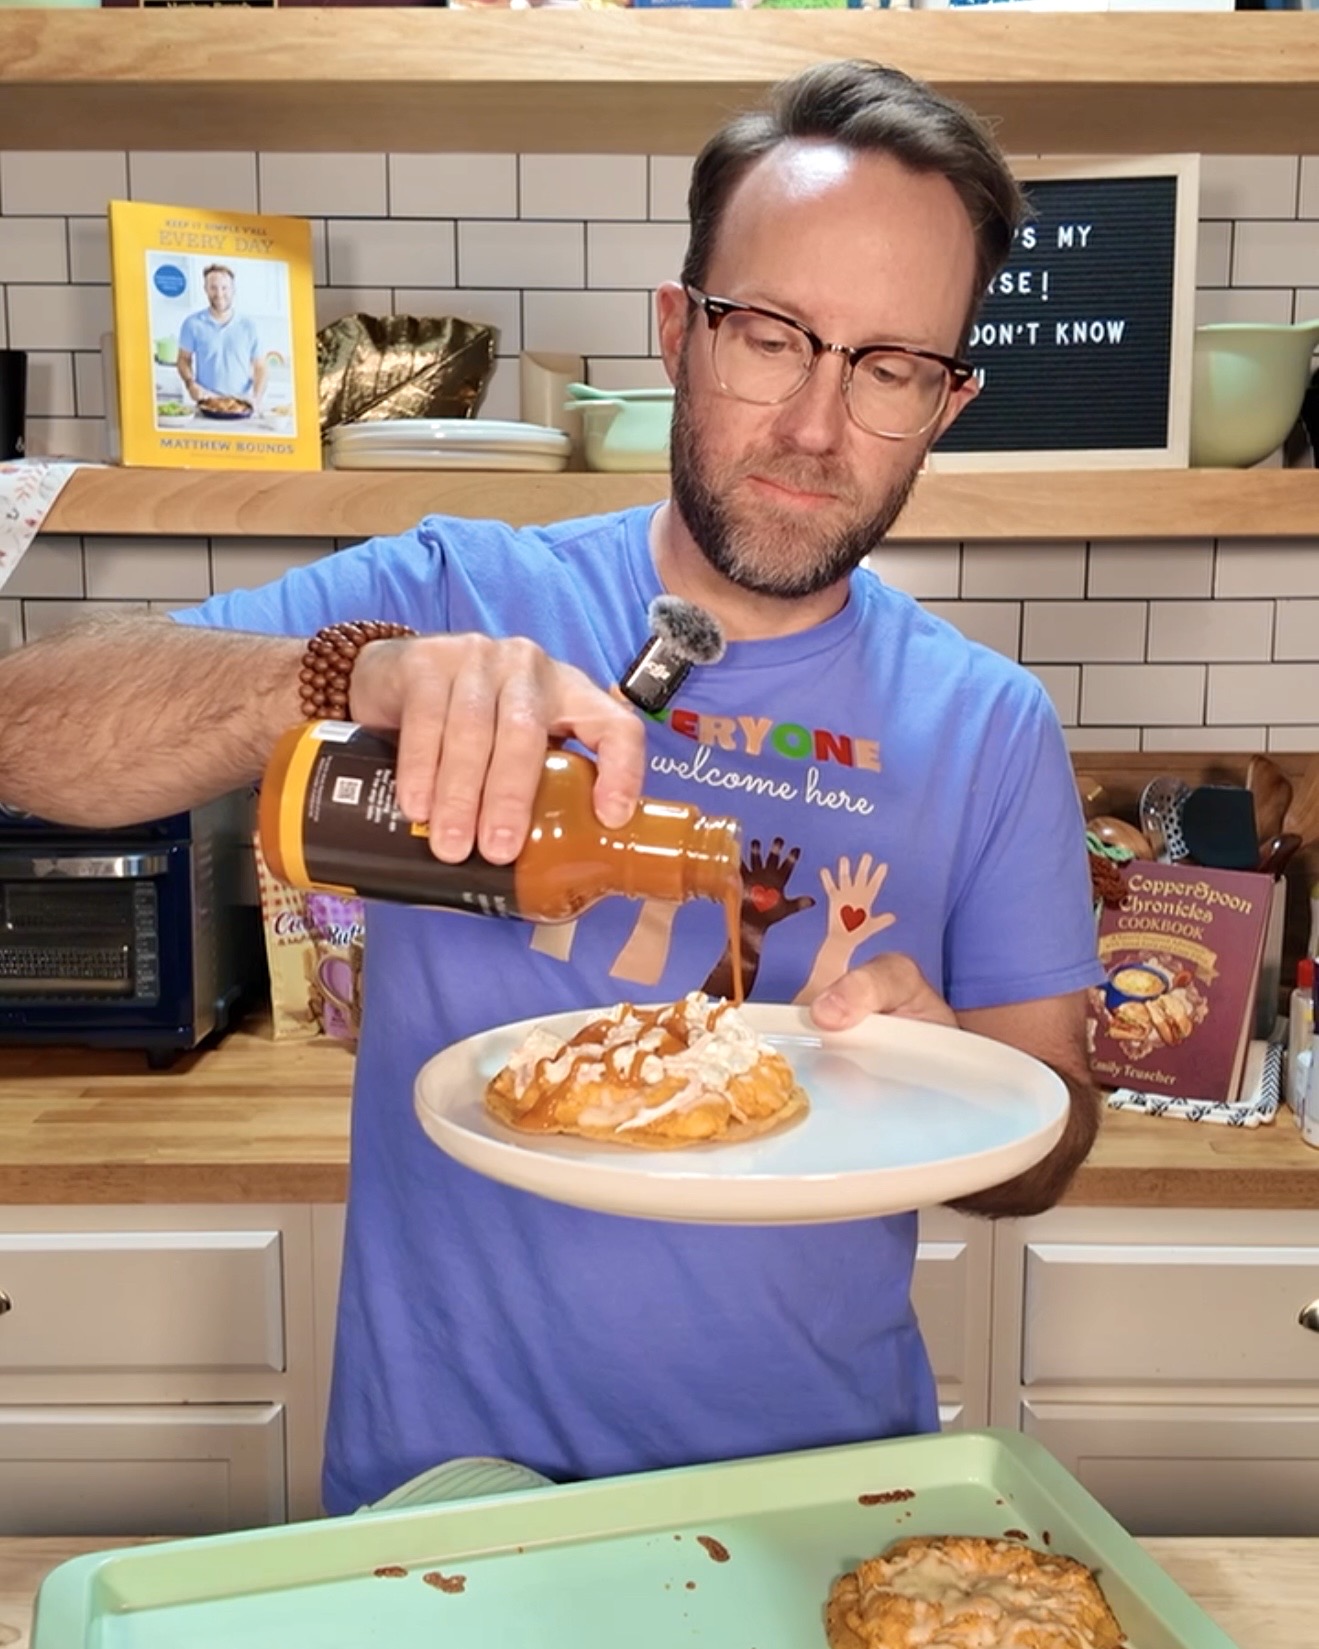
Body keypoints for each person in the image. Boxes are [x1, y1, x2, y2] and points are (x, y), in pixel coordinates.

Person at [0, 60, 1102, 1515]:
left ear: (945, 400)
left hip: (820, 1500)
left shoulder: (987, 723)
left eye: (889, 365)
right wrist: (335, 678)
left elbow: (1043, 1145)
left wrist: (948, 1056)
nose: (818, 425)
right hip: (451, 1489)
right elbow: (28, 731)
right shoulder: (454, 589)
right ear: (673, 330)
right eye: (772, 335)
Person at [176, 262, 266, 410]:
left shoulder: (249, 326)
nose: (219, 294)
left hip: (241, 404)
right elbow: (183, 359)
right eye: (213, 288)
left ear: (233, 289)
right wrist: (190, 383)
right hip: (207, 402)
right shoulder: (192, 324)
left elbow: (260, 366)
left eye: (224, 288)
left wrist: (257, 397)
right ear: (205, 289)